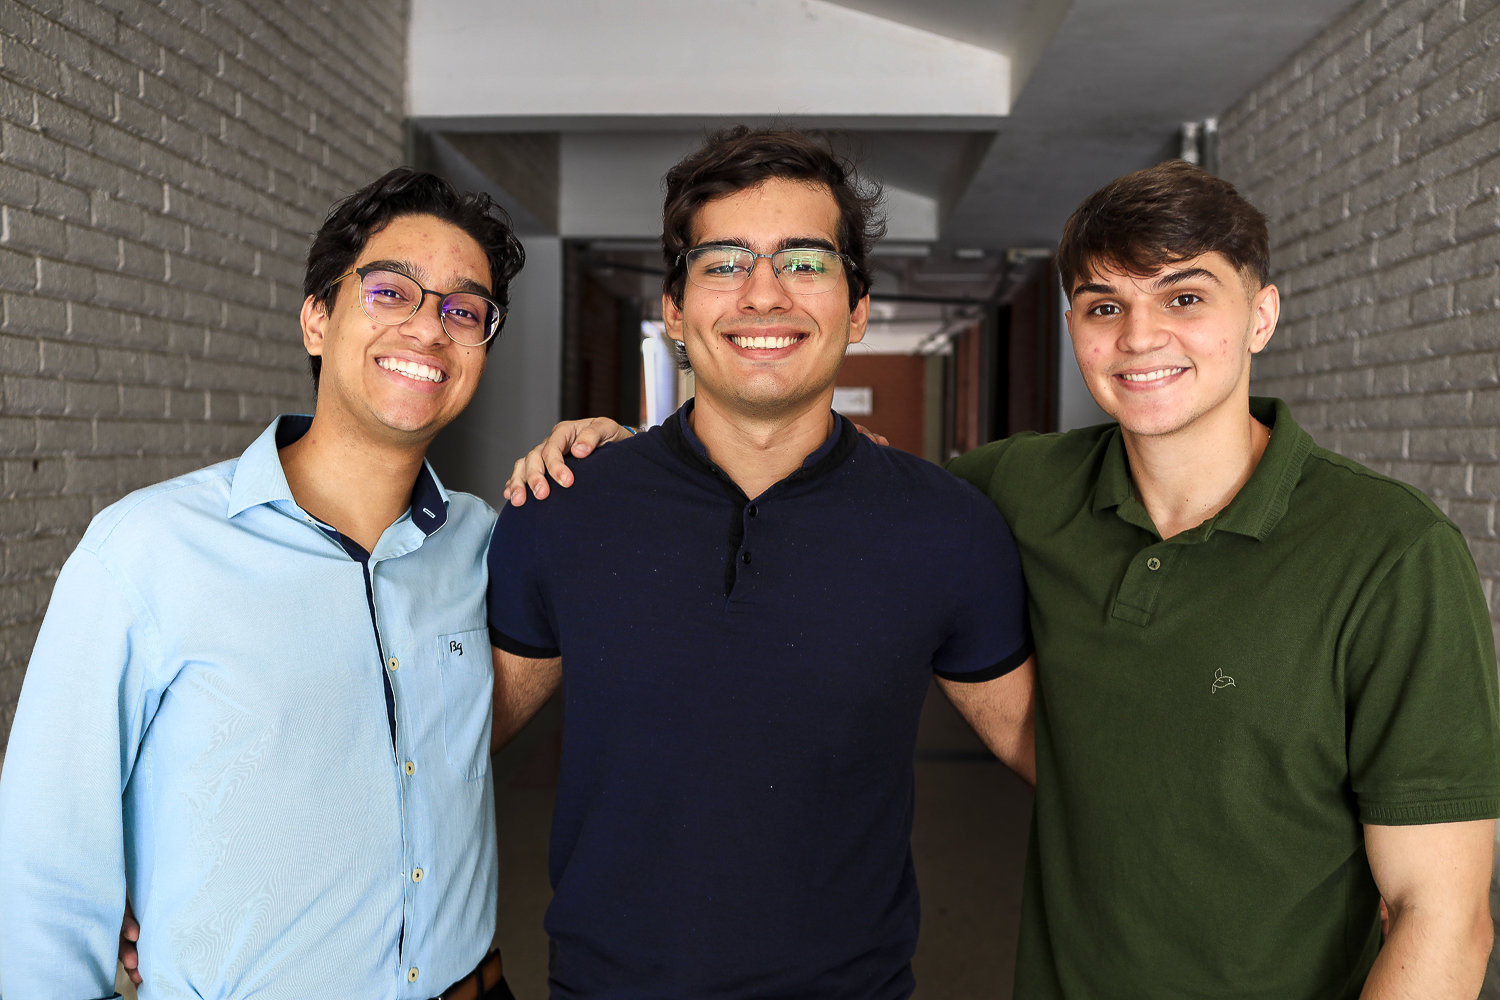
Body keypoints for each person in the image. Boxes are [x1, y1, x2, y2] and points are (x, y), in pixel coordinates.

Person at [510, 158, 1500, 998]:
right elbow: (851, 499)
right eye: (1104, 305)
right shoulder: (1012, 493)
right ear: (674, 309)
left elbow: (1445, 918)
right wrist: (601, 454)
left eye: (1187, 297)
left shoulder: (1391, 552)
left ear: (1262, 315)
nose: (1141, 337)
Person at [485, 126, 1036, 999]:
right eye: (724, 262)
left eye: (806, 262)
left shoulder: (947, 527)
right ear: (673, 310)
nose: (764, 294)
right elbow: (447, 745)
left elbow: (1053, 750)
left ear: (857, 308)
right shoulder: (562, 508)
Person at [0, 168, 524, 999]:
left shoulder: (484, 546)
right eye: (392, 292)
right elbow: (47, 857)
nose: (430, 328)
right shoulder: (147, 550)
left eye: (464, 311)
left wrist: (609, 465)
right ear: (318, 318)